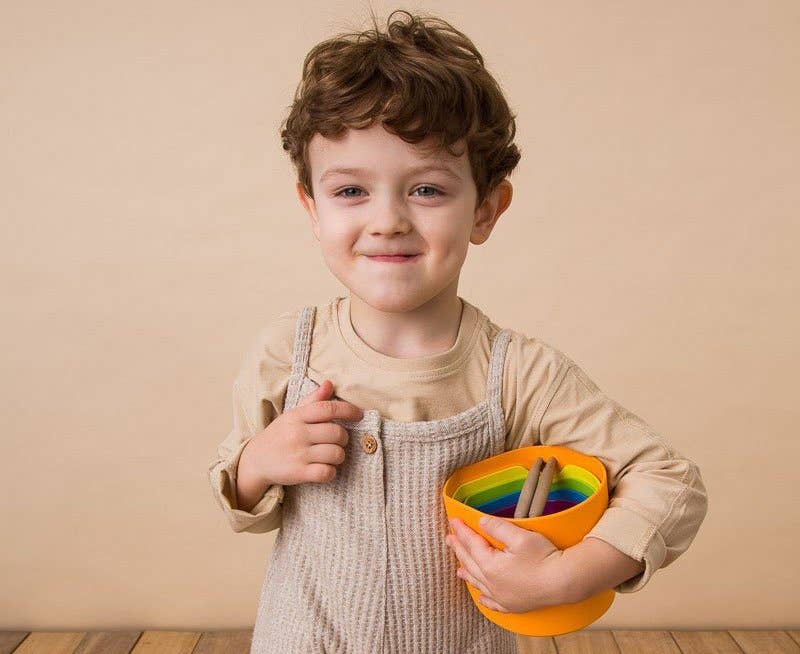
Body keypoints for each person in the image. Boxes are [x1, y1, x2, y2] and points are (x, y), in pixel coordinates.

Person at [208, 9, 709, 653]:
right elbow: (237, 502)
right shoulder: (288, 351)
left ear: (486, 210)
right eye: (352, 191)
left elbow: (671, 482)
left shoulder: (521, 375)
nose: (387, 220)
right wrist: (257, 463)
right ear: (312, 207)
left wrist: (565, 577)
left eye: (426, 189)